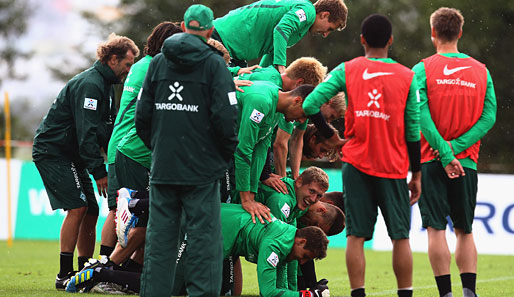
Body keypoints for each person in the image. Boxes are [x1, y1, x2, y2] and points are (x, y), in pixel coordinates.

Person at [302, 14, 422, 297]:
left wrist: (329, 133)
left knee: (356, 236)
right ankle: (405, 292)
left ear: (362, 40)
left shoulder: (348, 69)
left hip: (357, 165)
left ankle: (359, 294)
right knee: (400, 237)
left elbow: (309, 102)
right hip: (393, 167)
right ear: (390, 41)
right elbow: (414, 131)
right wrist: (416, 174)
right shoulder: (408, 77)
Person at [135, 4, 239, 296]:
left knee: (159, 244)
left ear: (183, 25)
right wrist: (221, 156)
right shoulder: (215, 64)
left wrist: (160, 150)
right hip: (202, 173)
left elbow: (141, 117)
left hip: (164, 169)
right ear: (208, 31)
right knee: (204, 243)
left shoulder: (157, 63)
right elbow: (227, 119)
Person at [32, 33, 139, 290]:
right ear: (113, 59)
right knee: (78, 208)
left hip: (73, 154)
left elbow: (107, 131)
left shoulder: (105, 85)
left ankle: (83, 272)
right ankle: (64, 274)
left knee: (91, 210)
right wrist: (99, 171)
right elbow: (87, 133)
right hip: (54, 152)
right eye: (127, 64)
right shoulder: (91, 84)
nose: (129, 70)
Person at [66, 204, 331, 297]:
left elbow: (282, 284)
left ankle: (109, 272)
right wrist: (309, 296)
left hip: (212, 234)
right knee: (168, 286)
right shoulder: (276, 244)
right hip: (200, 230)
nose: (302, 261)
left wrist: (305, 294)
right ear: (302, 242)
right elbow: (270, 291)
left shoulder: (287, 241)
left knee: (182, 287)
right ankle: (103, 273)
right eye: (305, 256)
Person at [413, 7, 497, 297]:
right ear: (460, 32)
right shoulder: (481, 70)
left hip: (431, 159)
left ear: (433, 32)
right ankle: (469, 291)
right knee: (465, 229)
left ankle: (445, 293)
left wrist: (444, 152)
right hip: (466, 163)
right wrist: (457, 150)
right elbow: (489, 116)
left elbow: (419, 113)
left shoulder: (422, 68)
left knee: (436, 229)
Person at [99, 21, 182, 261]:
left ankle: (103, 264)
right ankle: (107, 267)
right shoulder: (155, 67)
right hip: (133, 145)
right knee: (130, 211)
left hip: (121, 143)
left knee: (119, 210)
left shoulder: (143, 65)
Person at [234, 81, 315, 224]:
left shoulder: (277, 110)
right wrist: (246, 200)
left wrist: (251, 196)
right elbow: (244, 150)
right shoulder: (262, 101)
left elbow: (260, 149)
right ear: (297, 100)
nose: (302, 120)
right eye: (303, 114)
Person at [212, 0, 348, 71]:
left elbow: (271, 51)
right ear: (325, 15)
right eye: (330, 28)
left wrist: (265, 77)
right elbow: (281, 30)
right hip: (220, 39)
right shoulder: (308, 11)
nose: (325, 34)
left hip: (233, 51)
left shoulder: (303, 24)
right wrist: (282, 69)